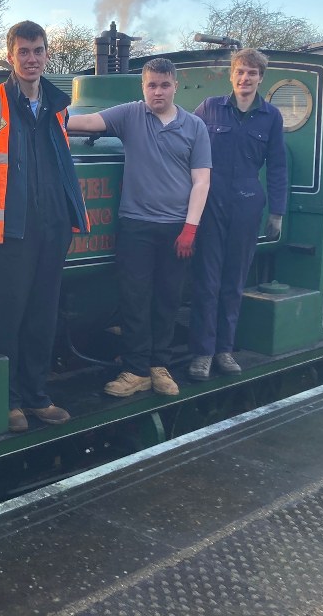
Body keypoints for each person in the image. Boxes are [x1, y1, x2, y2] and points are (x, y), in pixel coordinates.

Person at [0, 20, 89, 433]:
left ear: (47, 54)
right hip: (9, 232)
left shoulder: (58, 105)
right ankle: (9, 401)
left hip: (52, 228)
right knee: (7, 318)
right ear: (11, 55)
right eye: (23, 52)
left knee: (42, 315)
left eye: (38, 51)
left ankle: (38, 396)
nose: (31, 59)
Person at [68, 58, 211, 398]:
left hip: (177, 227)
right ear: (143, 87)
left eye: (164, 85)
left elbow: (201, 181)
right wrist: (49, 120)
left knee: (167, 298)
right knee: (134, 299)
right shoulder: (131, 115)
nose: (157, 91)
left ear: (175, 86)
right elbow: (89, 121)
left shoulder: (194, 127)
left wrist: (190, 229)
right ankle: (135, 370)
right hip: (136, 225)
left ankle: (160, 366)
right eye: (151, 85)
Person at [188, 48, 287, 380]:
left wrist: (277, 212)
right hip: (210, 200)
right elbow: (186, 146)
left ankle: (224, 350)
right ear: (231, 75)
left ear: (261, 78)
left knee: (234, 281)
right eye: (240, 72)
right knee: (207, 280)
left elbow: (277, 166)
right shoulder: (210, 108)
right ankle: (202, 353)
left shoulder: (271, 117)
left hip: (247, 201)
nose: (245, 78)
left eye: (252, 73)